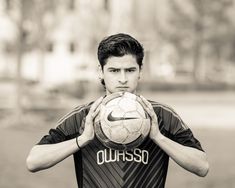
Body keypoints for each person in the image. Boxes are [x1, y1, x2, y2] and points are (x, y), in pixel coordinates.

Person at [26, 33, 209, 188]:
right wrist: (82, 139)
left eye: (130, 70)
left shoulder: (161, 115)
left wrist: (158, 137)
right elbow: (33, 161)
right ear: (101, 71)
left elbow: (201, 166)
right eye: (114, 70)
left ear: (140, 71)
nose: (123, 79)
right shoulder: (83, 116)